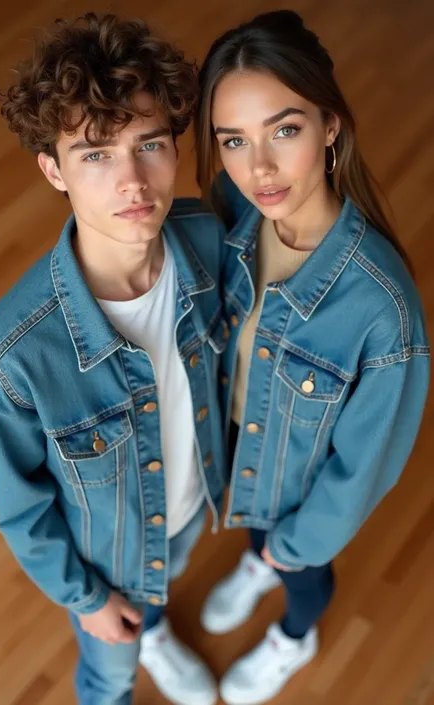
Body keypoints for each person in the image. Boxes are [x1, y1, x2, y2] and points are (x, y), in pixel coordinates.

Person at [0, 13, 228, 705]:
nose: (133, 180)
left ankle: (159, 628)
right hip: (104, 564)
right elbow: (24, 510)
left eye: (149, 144)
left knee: (167, 575)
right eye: (95, 154)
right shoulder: (11, 355)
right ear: (53, 168)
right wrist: (85, 600)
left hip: (189, 509)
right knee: (109, 678)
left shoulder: (211, 243)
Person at [194, 10, 430, 705]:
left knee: (294, 560)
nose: (257, 168)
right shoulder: (232, 211)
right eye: (233, 140)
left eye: (284, 129)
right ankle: (257, 558)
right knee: (257, 528)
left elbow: (364, 468)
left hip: (305, 495)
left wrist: (296, 544)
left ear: (330, 125)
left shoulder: (383, 310)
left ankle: (295, 634)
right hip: (242, 445)